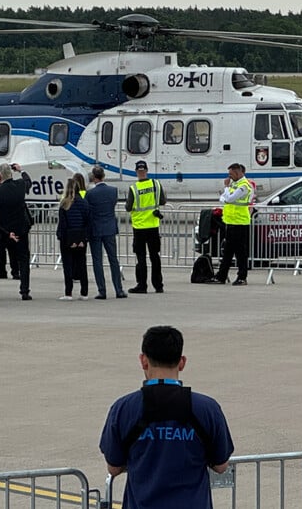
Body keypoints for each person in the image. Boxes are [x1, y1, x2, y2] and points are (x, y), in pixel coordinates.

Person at [100, 325, 233, 509]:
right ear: (182, 362)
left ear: (143, 361)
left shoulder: (123, 409)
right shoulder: (207, 409)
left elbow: (113, 467)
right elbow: (221, 465)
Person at [0, 163, 33, 300]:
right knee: (23, 260)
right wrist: (22, 170)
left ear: (0, 175)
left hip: (3, 231)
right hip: (20, 229)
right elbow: (28, 182)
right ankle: (24, 290)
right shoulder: (20, 185)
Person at [208, 163, 254, 286]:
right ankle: (222, 276)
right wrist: (226, 194)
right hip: (231, 222)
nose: (229, 176)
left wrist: (226, 188)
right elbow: (223, 198)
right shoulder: (235, 184)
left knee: (240, 252)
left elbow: (229, 198)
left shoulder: (244, 186)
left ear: (238, 172)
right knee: (228, 251)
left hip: (240, 222)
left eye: (231, 174)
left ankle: (241, 277)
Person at [86, 165, 126, 299]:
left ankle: (102, 290)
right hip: (109, 228)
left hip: (95, 228)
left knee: (97, 261)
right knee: (113, 259)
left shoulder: (90, 194)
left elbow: (88, 211)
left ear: (93, 177)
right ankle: (118, 289)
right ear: (103, 176)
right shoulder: (113, 191)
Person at [126, 160, 166, 294]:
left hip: (139, 227)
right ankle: (158, 285)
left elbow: (128, 207)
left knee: (141, 258)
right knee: (155, 257)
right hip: (153, 226)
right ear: (147, 170)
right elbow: (162, 201)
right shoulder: (156, 184)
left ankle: (142, 285)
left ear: (137, 172)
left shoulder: (134, 188)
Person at [56, 177, 90, 301]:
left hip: (68, 238)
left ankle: (68, 292)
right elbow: (87, 221)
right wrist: (85, 237)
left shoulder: (64, 204)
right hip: (81, 236)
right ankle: (84, 292)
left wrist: (61, 236)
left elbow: (63, 224)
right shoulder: (84, 203)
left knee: (68, 266)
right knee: (82, 264)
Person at [0, 170, 18, 280]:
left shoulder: (1, 192)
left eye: (0, 179)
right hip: (0, 227)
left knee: (13, 252)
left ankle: (15, 271)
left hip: (9, 226)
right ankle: (2, 270)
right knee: (0, 252)